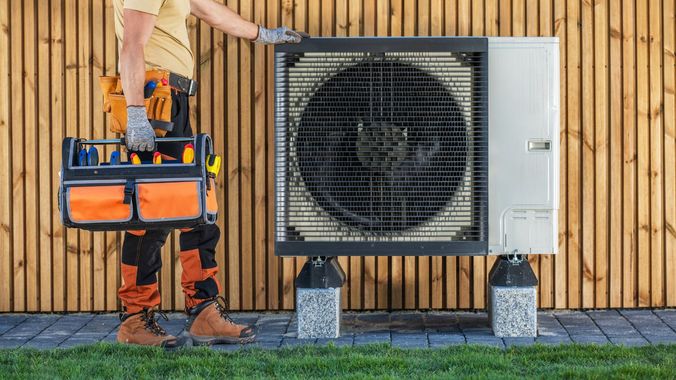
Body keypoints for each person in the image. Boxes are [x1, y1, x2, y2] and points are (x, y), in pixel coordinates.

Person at [112, 0, 305, 349]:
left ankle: (202, 310)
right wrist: (137, 113)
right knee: (150, 214)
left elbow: (208, 9)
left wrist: (263, 34)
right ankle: (135, 318)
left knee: (197, 205)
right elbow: (132, 45)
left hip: (172, 102)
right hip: (156, 103)